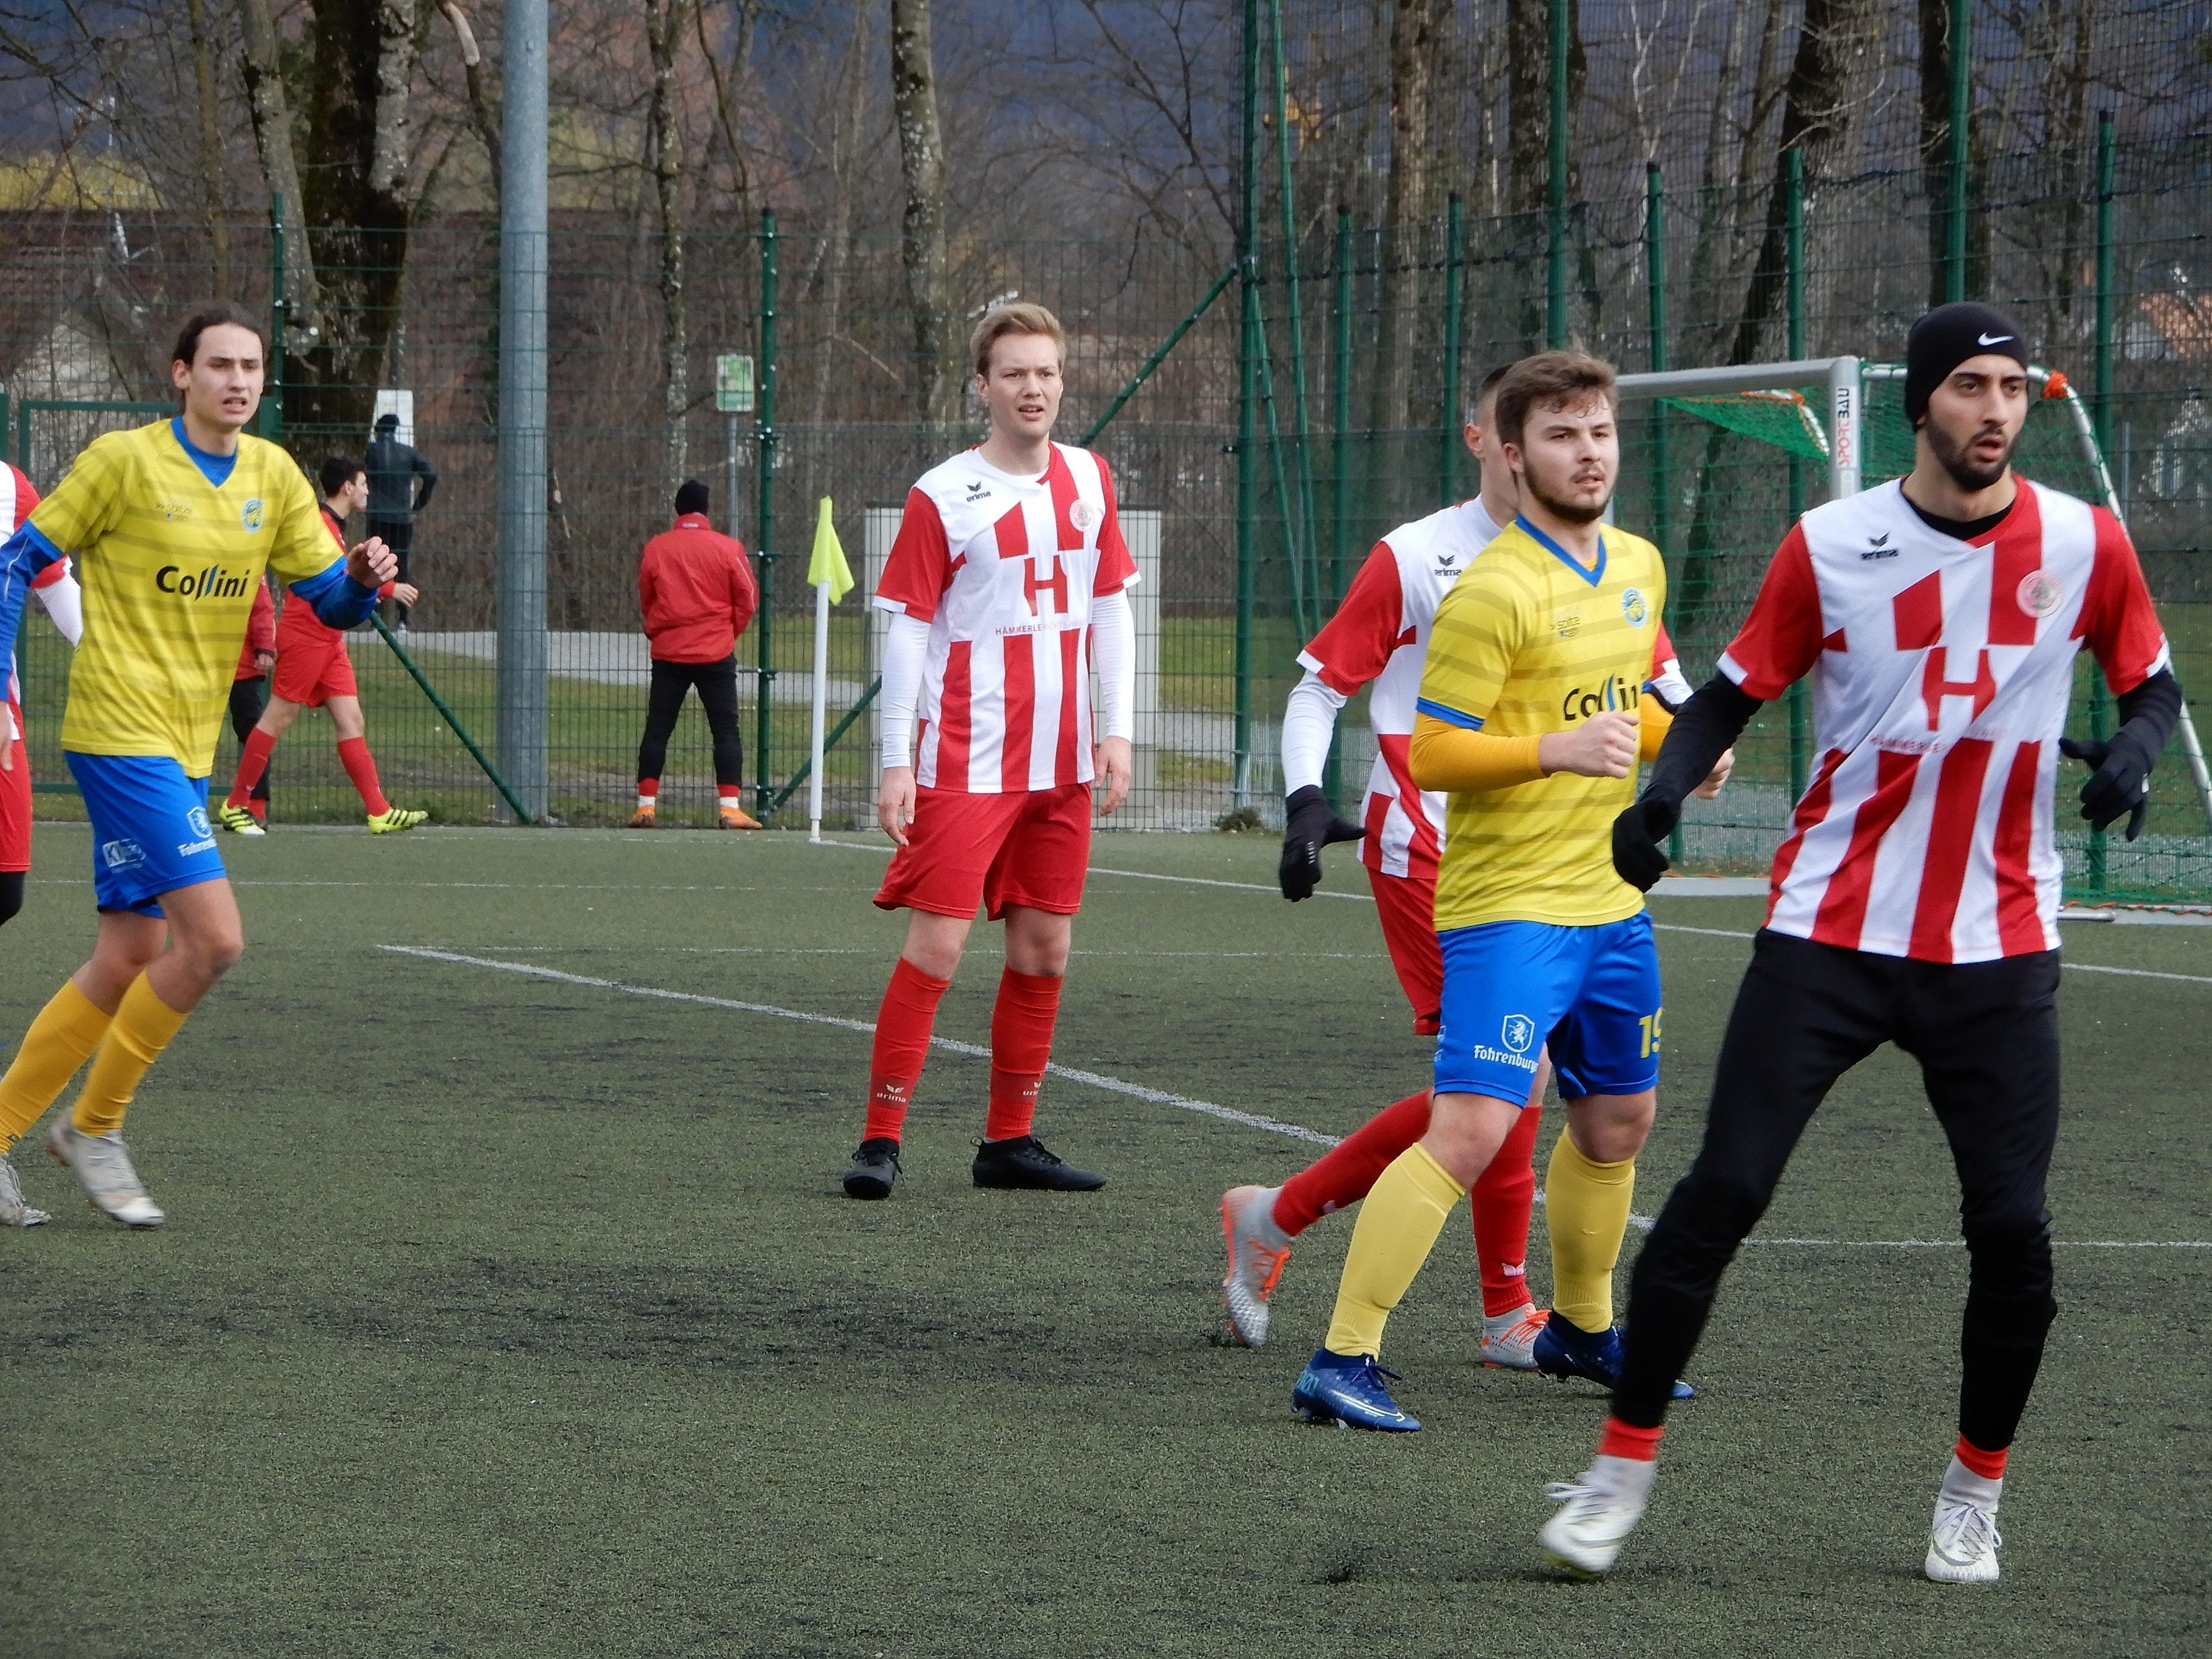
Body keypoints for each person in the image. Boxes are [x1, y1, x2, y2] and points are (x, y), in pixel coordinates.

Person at [1539, 304, 2181, 1586]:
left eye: (2011, 390)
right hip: (1828, 931)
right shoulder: (1833, 544)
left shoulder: (2084, 541)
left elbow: (2151, 682)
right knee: (1720, 1193)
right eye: (1969, 389)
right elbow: (1727, 690)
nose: (1995, 412)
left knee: (2013, 1230)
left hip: (1997, 944)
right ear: (1922, 407)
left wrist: (2137, 750)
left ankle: (1971, 1494)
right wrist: (1661, 796)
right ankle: (1618, 1468)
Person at [1221, 364, 1709, 1368]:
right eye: (1550, 431)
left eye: (1597, 431)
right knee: (1498, 1094)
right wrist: (1306, 798)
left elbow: (1657, 682)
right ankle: (1484, 1312)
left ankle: (1302, 1227)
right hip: (1432, 847)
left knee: (1535, 1095)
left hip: (1577, 864)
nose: (1581, 450)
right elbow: (1320, 687)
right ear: (1490, 440)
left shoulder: (1613, 561)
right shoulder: (1419, 559)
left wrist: (1692, 745)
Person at [0, 303, 398, 1228]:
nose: (239, 381)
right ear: (180, 374)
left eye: (251, 367)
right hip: (115, 729)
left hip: (186, 743)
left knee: (131, 951)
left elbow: (326, 601)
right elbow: (20, 560)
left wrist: (366, 585)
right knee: (214, 941)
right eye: (219, 364)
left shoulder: (273, 474)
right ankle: (93, 1125)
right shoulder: (123, 462)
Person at [841, 302, 1136, 1201]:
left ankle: (1008, 1142)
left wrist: (1115, 729)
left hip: (1062, 762)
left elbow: (1110, 605)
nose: (1033, 387)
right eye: (1014, 373)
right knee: (939, 946)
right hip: (967, 755)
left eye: (1045, 371)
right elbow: (907, 629)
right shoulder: (943, 494)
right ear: (983, 387)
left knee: (1045, 949)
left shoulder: (1089, 478)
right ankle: (881, 1139)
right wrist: (897, 758)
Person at [216, 456, 426, 836]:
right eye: (363, 483)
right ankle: (236, 803)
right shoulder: (321, 526)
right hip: (308, 634)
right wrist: (390, 587)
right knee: (278, 717)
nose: (367, 490)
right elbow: (341, 578)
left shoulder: (338, 529)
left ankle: (378, 811)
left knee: (352, 720)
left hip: (330, 639)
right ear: (347, 486)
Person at [629, 478, 761, 830]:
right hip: (715, 652)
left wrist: (662, 628)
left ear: (677, 509)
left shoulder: (657, 548)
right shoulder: (728, 548)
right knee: (725, 730)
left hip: (669, 652)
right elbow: (747, 598)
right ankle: (730, 808)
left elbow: (647, 596)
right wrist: (727, 633)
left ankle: (645, 806)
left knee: (657, 728)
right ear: (706, 509)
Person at [1, 460, 84, 953]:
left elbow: (53, 584)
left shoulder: (10, 486)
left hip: (1, 710)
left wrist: (106, 658)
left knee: (6, 889)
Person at [366, 411, 435, 631]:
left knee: (374, 564)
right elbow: (431, 475)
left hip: (377, 515)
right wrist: (419, 503)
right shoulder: (408, 453)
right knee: (401, 565)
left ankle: (375, 618)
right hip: (402, 517)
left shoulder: (370, 451)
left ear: (377, 432)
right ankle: (402, 619)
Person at [223, 574, 277, 828]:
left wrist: (265, 647)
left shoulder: (249, 559)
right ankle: (186, 805)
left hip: (242, 665)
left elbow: (262, 607)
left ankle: (255, 807)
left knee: (253, 734)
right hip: (202, 662)